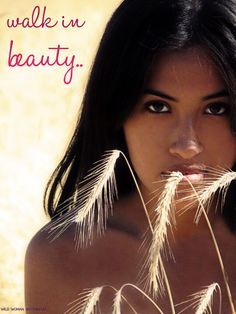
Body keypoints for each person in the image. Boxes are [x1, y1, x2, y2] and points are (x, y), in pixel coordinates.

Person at [25, 0, 236, 312]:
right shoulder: (62, 257)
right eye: (158, 107)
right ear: (115, 112)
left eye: (216, 108)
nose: (187, 145)